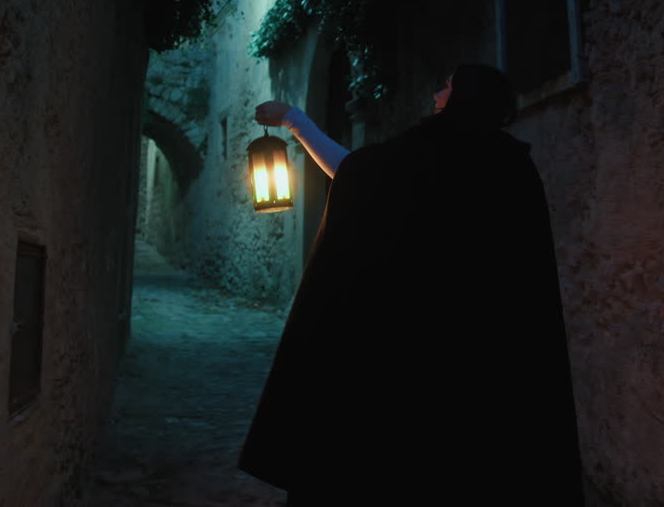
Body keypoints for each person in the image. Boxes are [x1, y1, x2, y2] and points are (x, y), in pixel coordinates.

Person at [239, 64, 584, 506]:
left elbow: (354, 174)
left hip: (414, 346)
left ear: (463, 96)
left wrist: (294, 119)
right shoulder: (512, 164)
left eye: (447, 86)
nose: (438, 92)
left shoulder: (428, 152)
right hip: (491, 354)